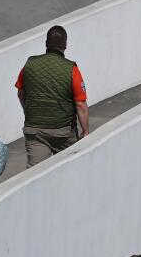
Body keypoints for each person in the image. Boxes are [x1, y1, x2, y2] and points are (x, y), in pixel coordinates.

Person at [15, 25, 89, 167]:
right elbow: (80, 104)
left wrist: (29, 112)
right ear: (65, 45)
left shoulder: (29, 65)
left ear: (46, 44)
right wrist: (85, 131)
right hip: (63, 133)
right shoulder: (72, 70)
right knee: (70, 169)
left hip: (35, 131)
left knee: (34, 176)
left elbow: (20, 94)